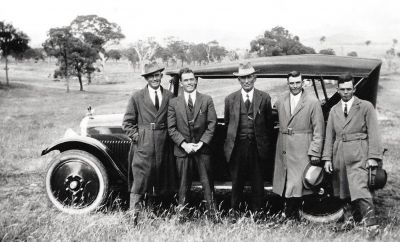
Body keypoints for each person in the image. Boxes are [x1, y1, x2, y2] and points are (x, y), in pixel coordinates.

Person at [322, 73, 382, 229]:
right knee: (343, 190)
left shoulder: (365, 106)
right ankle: (350, 222)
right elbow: (329, 136)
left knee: (361, 189)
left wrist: (373, 157)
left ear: (354, 89)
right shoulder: (334, 110)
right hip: (339, 155)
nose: (346, 92)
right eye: (342, 89)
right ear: (338, 90)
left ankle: (371, 225)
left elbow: (374, 132)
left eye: (349, 89)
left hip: (359, 153)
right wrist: (327, 158)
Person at [122, 62, 175, 222]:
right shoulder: (137, 97)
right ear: (146, 78)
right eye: (151, 76)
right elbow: (127, 123)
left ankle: (156, 214)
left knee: (160, 178)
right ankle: (134, 217)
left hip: (164, 144)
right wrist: (140, 137)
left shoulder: (169, 96)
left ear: (161, 76)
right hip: (144, 146)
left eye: (157, 75)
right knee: (140, 180)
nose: (155, 79)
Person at [273, 71, 325, 220]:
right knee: (286, 180)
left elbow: (318, 129)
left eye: (297, 83)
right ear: (287, 83)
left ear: (302, 83)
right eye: (292, 83)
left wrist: (315, 152)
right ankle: (287, 213)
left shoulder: (312, 101)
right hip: (284, 147)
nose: (295, 86)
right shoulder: (281, 99)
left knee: (298, 183)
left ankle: (293, 215)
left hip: (302, 147)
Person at [168, 68, 217, 220]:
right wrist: (184, 144)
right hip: (183, 151)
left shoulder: (206, 99)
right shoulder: (173, 103)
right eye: (186, 80)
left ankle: (213, 214)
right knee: (183, 185)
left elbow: (212, 124)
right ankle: (182, 214)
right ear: (181, 83)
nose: (189, 82)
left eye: (191, 79)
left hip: (203, 150)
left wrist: (201, 143)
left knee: (207, 184)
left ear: (196, 80)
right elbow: (171, 128)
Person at [224, 62, 273, 213]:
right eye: (243, 78)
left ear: (255, 77)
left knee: (257, 181)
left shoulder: (264, 98)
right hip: (237, 147)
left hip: (257, 147)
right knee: (237, 181)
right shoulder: (230, 99)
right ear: (238, 80)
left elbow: (269, 125)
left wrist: (264, 144)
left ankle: (258, 213)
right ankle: (235, 212)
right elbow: (227, 124)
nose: (246, 81)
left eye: (249, 77)